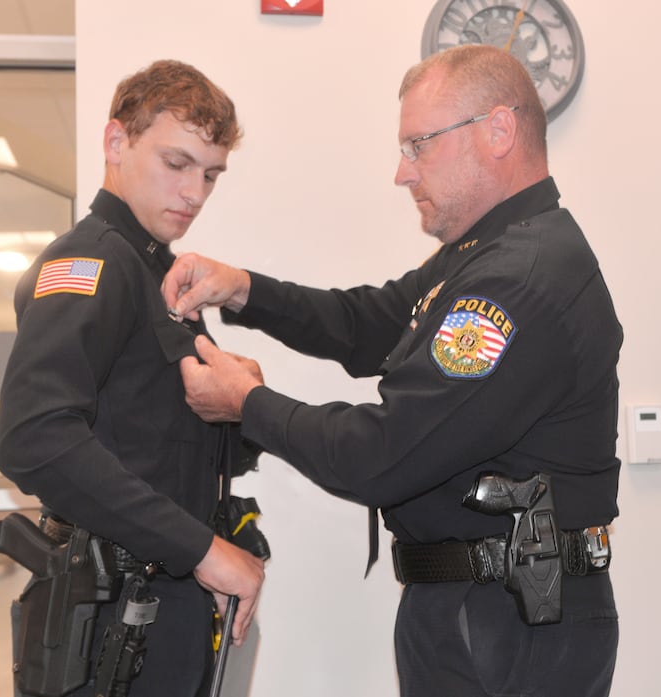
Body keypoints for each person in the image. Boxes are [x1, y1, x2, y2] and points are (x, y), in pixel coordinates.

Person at [162, 44, 621, 696]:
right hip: (479, 609)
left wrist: (248, 403)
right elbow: (365, 324)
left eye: (419, 146)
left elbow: (380, 453)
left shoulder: (519, 280)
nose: (402, 173)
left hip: (512, 624)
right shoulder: (483, 256)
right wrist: (243, 290)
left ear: (498, 131)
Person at [0, 59, 265, 697]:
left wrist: (242, 403)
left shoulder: (159, 277)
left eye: (211, 174)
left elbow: (163, 450)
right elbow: (33, 438)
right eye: (177, 163)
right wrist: (202, 550)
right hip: (109, 620)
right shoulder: (91, 261)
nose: (195, 193)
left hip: (162, 607)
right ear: (116, 141)